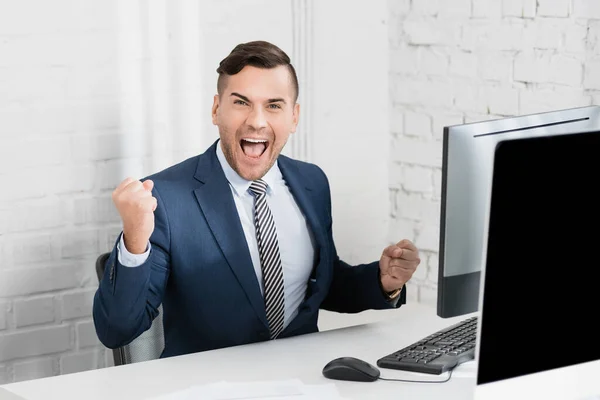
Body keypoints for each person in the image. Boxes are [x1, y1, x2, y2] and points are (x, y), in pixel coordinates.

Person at [93, 40, 421, 358]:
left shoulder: (312, 182)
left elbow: (322, 284)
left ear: (294, 117)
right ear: (216, 109)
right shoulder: (166, 197)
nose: (257, 120)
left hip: (303, 379)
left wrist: (382, 281)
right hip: (209, 387)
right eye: (241, 102)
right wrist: (134, 239)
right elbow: (118, 330)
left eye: (273, 105)